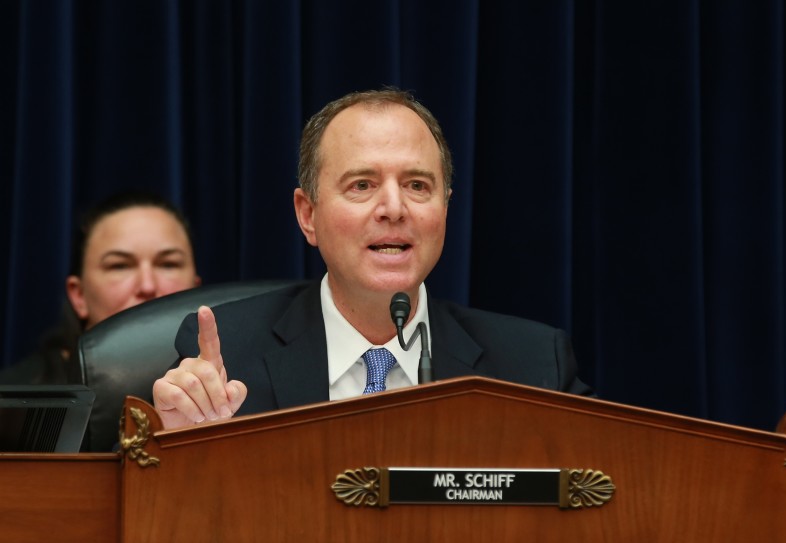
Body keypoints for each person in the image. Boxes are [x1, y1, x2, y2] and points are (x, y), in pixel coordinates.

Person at [152, 87, 593, 429]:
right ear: (308, 215)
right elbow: (137, 495)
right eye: (361, 185)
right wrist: (173, 443)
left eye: (417, 185)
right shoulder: (227, 354)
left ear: (445, 209)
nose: (394, 208)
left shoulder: (531, 367)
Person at [0, 190, 201, 384]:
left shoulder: (222, 383)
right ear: (79, 296)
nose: (147, 286)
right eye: (119, 266)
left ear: (196, 287)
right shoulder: (12, 397)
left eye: (168, 264)